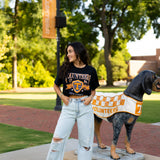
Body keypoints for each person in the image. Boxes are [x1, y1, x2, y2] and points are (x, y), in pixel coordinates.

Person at [46, 42, 99, 160]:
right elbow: (55, 85)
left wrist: (90, 98)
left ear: (78, 52)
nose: (68, 54)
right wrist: (62, 96)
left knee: (86, 144)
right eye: (67, 52)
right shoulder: (65, 68)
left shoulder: (91, 70)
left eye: (70, 51)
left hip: (85, 108)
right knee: (57, 139)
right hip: (69, 106)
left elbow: (93, 90)